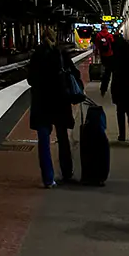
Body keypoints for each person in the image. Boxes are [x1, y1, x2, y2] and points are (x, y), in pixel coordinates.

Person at [27, 25, 81, 187]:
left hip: (41, 103)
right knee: (63, 137)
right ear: (54, 37)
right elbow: (74, 74)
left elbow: (31, 80)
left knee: (43, 141)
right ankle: (66, 172)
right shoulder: (60, 53)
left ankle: (48, 179)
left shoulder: (36, 55)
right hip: (60, 101)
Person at [101, 32, 129, 145]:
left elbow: (107, 72)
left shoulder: (114, 56)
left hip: (118, 86)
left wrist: (103, 87)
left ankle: (121, 134)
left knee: (120, 111)